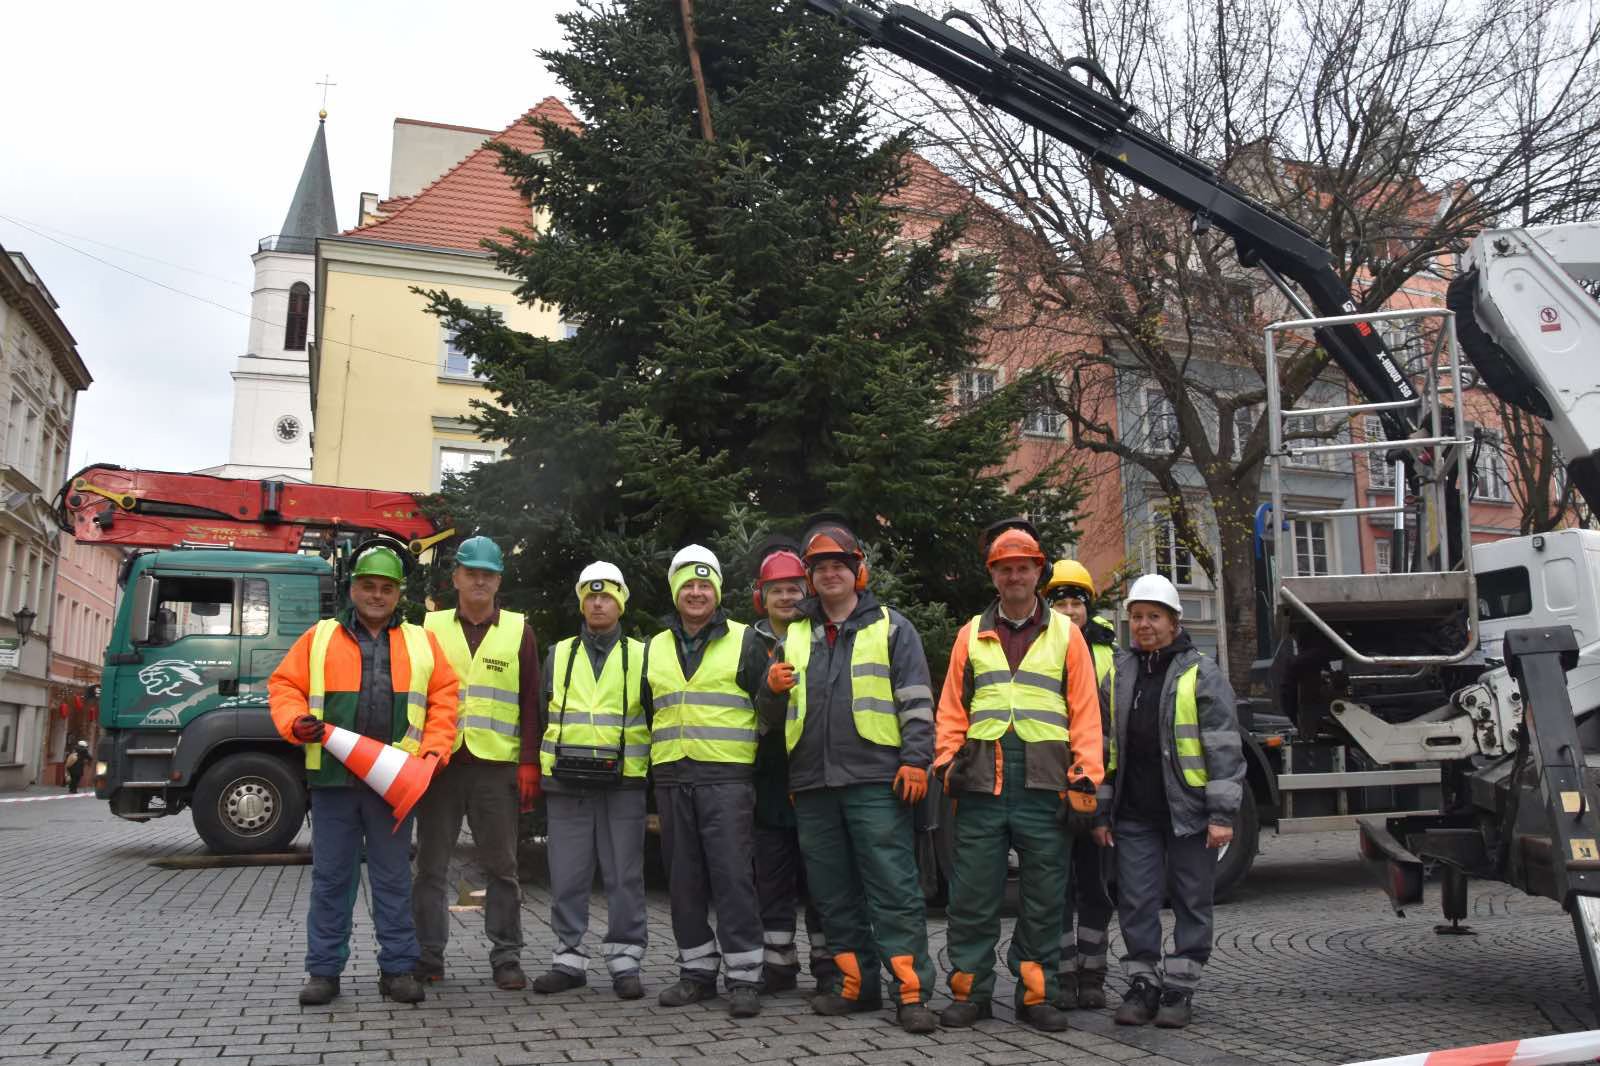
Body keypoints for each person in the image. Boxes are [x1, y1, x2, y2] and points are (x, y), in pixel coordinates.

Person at [758, 516, 941, 1035]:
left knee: (893, 887)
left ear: (857, 571)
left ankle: (911, 992)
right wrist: (770, 688)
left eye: (839, 564)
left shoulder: (891, 626)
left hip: (876, 781)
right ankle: (854, 986)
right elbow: (769, 719)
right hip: (812, 786)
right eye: (820, 567)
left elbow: (916, 700)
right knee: (831, 892)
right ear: (810, 577)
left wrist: (915, 760)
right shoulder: (793, 635)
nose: (830, 574)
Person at [268, 545, 459, 1007]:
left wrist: (433, 752)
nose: (377, 595)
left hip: (393, 783)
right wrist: (294, 722)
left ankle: (397, 970)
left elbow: (445, 697)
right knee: (332, 879)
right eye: (368, 586)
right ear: (353, 588)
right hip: (333, 781)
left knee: (393, 878)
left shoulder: (421, 641)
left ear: (399, 595)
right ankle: (324, 972)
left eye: (386, 588)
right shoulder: (319, 637)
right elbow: (284, 686)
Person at [933, 529, 1104, 1032]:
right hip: (982, 784)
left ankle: (1037, 995)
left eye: (1023, 567)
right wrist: (946, 764)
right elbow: (951, 709)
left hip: (1047, 784)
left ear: (1038, 572)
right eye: (1004, 568)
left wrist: (1086, 777)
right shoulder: (970, 634)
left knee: (1045, 897)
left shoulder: (1066, 635)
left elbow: (1086, 714)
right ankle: (970, 994)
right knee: (971, 897)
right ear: (993, 574)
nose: (1014, 575)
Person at [1099, 574, 1245, 1029]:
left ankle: (1180, 987)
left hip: (1189, 813)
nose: (1144, 625)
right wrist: (1103, 811)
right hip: (1134, 814)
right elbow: (1105, 750)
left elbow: (1223, 746)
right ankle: (1143, 983)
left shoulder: (1201, 671)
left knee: (1191, 899)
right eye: (1137, 616)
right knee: (1136, 901)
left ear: (1174, 620)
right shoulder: (1120, 673)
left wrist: (1222, 815)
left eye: (1153, 617)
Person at [644, 544, 771, 1018]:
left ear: (717, 591)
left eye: (705, 584)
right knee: (683, 879)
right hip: (673, 776)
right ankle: (696, 973)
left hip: (727, 777)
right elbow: (646, 711)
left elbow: (770, 707)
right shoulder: (654, 647)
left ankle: (744, 978)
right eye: (688, 585)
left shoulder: (746, 639)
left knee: (733, 877)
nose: (696, 593)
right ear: (676, 591)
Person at [413, 536, 542, 991]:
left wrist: (529, 762)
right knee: (430, 865)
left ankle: (506, 957)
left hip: (496, 767)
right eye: (472, 572)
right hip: (440, 765)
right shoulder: (428, 628)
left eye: (488, 573)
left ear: (499, 580)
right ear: (456, 579)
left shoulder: (518, 630)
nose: (480, 580)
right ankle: (428, 955)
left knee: (502, 868)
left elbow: (531, 700)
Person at [533, 561, 651, 1000]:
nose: (598, 603)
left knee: (625, 874)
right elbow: (542, 712)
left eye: (607, 596)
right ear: (582, 602)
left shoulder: (641, 655)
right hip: (568, 781)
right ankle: (568, 959)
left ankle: (625, 960)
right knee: (567, 874)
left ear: (620, 602)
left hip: (624, 783)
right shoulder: (558, 654)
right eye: (591, 596)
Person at [749, 540, 837, 996]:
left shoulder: (823, 635)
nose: (786, 598)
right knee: (774, 874)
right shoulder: (747, 643)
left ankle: (827, 966)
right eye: (777, 590)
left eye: (793, 589)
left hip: (814, 771)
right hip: (767, 776)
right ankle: (777, 965)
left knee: (821, 873)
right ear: (760, 596)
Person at [1043, 559, 1118, 1010]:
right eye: (1062, 603)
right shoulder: (1040, 647)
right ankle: (1064, 972)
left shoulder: (1108, 652)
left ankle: (1093, 973)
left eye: (1077, 603)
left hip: (1095, 788)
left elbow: (1114, 728)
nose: (1070, 611)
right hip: (1052, 784)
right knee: (1056, 887)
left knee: (1094, 887)